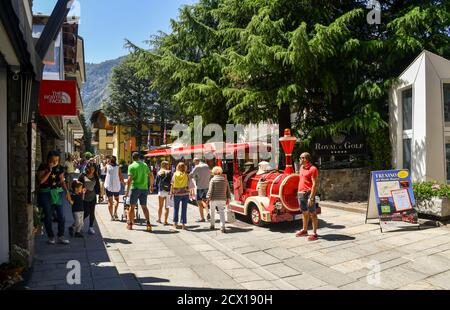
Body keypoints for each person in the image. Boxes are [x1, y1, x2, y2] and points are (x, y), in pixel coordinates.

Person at [37, 151, 71, 245]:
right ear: (48, 159)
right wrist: (50, 171)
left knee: (61, 216)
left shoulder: (60, 168)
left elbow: (62, 180)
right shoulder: (43, 166)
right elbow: (41, 181)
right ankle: (51, 237)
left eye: (57, 160)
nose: (55, 162)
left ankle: (61, 236)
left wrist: (67, 192)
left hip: (57, 192)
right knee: (48, 216)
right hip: (46, 193)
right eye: (53, 160)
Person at [125, 152, 154, 232]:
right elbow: (151, 176)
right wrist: (151, 186)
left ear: (132, 158)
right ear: (139, 157)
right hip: (144, 188)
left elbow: (129, 180)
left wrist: (127, 191)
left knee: (132, 207)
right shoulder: (144, 165)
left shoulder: (131, 166)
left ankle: (130, 224)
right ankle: (148, 224)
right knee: (144, 207)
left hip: (135, 188)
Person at [296, 153, 320, 241]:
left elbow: (314, 184)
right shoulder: (301, 168)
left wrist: (311, 197)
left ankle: (314, 233)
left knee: (313, 213)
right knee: (304, 213)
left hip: (308, 194)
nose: (299, 159)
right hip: (301, 193)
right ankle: (305, 230)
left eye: (301, 158)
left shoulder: (313, 169)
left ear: (306, 159)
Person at [206, 166, 231, 233]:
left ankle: (212, 225)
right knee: (222, 212)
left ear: (213, 172)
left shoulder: (213, 180)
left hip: (213, 198)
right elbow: (228, 190)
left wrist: (208, 198)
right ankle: (222, 227)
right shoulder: (225, 180)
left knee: (212, 212)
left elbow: (210, 190)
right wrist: (228, 198)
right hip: (222, 198)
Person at [78, 162, 100, 235]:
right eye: (90, 168)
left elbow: (98, 186)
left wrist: (100, 195)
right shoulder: (82, 175)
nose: (92, 170)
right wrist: (81, 190)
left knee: (92, 212)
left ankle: (91, 227)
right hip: (84, 198)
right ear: (87, 168)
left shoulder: (95, 176)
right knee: (86, 212)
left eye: (93, 169)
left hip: (93, 197)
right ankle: (78, 224)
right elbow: (77, 186)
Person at [189, 158, 212, 222]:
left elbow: (191, 175)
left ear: (197, 161)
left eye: (194, 162)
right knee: (204, 200)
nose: (194, 164)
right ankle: (207, 212)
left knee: (199, 202)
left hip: (200, 187)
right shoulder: (207, 166)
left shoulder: (197, 167)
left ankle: (202, 218)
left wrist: (194, 178)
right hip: (207, 186)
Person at [170, 162, 190, 230]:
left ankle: (175, 224)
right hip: (185, 193)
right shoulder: (186, 175)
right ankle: (183, 225)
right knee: (184, 209)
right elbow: (188, 184)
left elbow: (172, 184)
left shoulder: (175, 174)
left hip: (177, 193)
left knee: (176, 209)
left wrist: (171, 192)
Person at [104, 156, 125, 221]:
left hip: (109, 186)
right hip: (116, 187)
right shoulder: (118, 167)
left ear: (110, 161)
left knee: (110, 202)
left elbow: (104, 171)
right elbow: (121, 177)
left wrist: (107, 164)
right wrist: (124, 183)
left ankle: (112, 216)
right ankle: (115, 212)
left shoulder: (107, 166)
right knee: (116, 199)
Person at [155, 161, 172, 225]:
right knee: (166, 207)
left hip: (161, 191)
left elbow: (156, 183)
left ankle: (159, 219)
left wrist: (157, 189)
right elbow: (171, 182)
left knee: (160, 206)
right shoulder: (169, 172)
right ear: (166, 165)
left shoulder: (159, 172)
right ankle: (165, 221)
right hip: (168, 191)